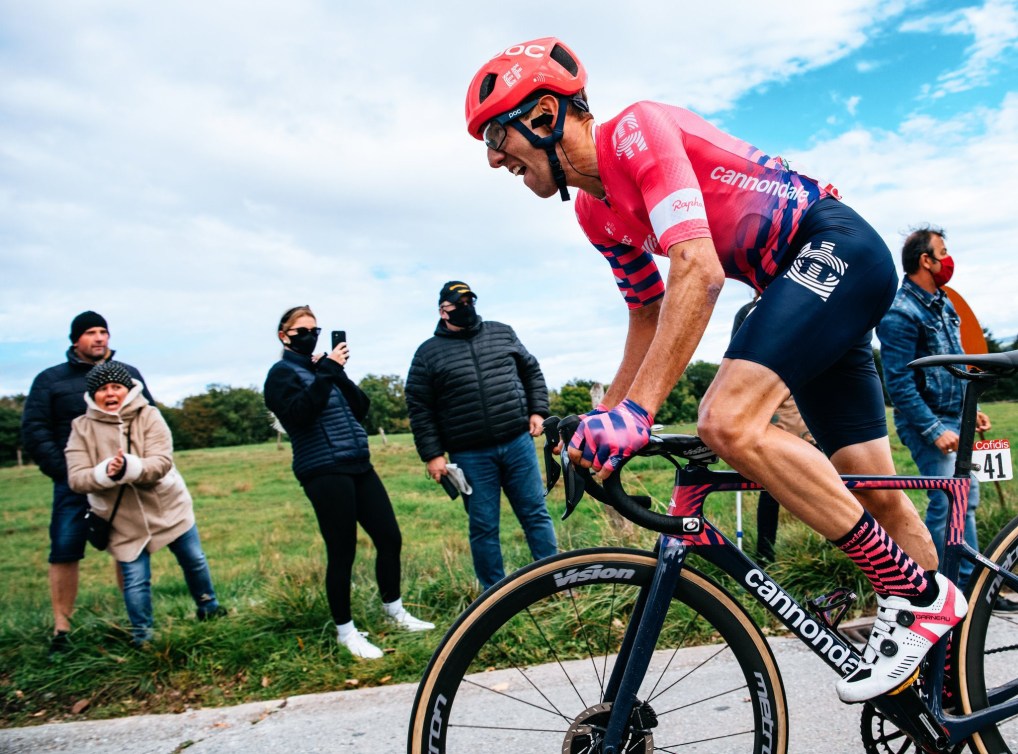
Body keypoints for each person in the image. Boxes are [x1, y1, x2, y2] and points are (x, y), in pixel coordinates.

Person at [464, 38, 965, 703]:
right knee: (872, 489)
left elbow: (696, 272)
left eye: (498, 133)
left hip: (831, 247)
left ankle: (918, 595)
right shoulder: (594, 212)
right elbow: (646, 315)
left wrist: (636, 415)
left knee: (726, 420)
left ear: (548, 114)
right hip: (799, 288)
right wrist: (604, 415)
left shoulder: (636, 133)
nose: (494, 156)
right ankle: (945, 694)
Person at [264, 306, 433, 660]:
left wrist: (335, 372)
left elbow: (361, 407)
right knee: (343, 551)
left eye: (314, 328)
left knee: (389, 536)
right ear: (284, 335)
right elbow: (300, 414)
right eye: (301, 330)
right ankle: (345, 631)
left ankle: (395, 610)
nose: (310, 334)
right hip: (323, 469)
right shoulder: (280, 374)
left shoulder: (322, 368)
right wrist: (326, 372)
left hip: (358, 463)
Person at [877, 227, 1005, 604]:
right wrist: (934, 430)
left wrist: (973, 410)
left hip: (956, 416)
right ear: (925, 261)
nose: (948, 260)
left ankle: (975, 587)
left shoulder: (943, 302)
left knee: (967, 501)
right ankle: (945, 590)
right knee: (948, 503)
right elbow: (898, 383)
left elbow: (959, 363)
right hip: (927, 423)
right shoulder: (900, 313)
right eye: (943, 252)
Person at [405, 281, 558, 592]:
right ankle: (493, 595)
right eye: (456, 305)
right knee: (484, 526)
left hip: (517, 442)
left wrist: (537, 411)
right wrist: (432, 454)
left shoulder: (502, 332)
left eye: (468, 301)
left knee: (535, 513)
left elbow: (531, 371)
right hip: (470, 454)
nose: (465, 309)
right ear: (442, 311)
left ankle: (555, 582)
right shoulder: (427, 353)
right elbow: (420, 407)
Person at [21, 311, 154, 653]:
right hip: (74, 484)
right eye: (91, 332)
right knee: (65, 549)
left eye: (103, 331)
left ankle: (137, 624)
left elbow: (148, 418)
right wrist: (68, 473)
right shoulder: (50, 380)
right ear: (75, 340)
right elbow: (35, 430)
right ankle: (62, 629)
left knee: (128, 548)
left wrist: (135, 466)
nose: (99, 338)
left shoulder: (128, 374)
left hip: (123, 481)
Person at [64, 361, 223, 646]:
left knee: (194, 561)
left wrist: (129, 467)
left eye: (116, 387)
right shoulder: (81, 427)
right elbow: (76, 478)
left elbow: (161, 461)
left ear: (128, 389)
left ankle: (209, 608)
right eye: (102, 389)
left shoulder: (149, 415)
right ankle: (143, 637)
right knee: (136, 580)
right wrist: (105, 472)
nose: (110, 393)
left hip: (168, 507)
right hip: (121, 520)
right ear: (92, 395)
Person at [731, 295, 815, 565]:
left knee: (830, 478)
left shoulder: (807, 307)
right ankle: (765, 555)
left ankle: (831, 551)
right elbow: (738, 362)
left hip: (806, 402)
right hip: (771, 406)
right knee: (771, 485)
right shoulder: (748, 312)